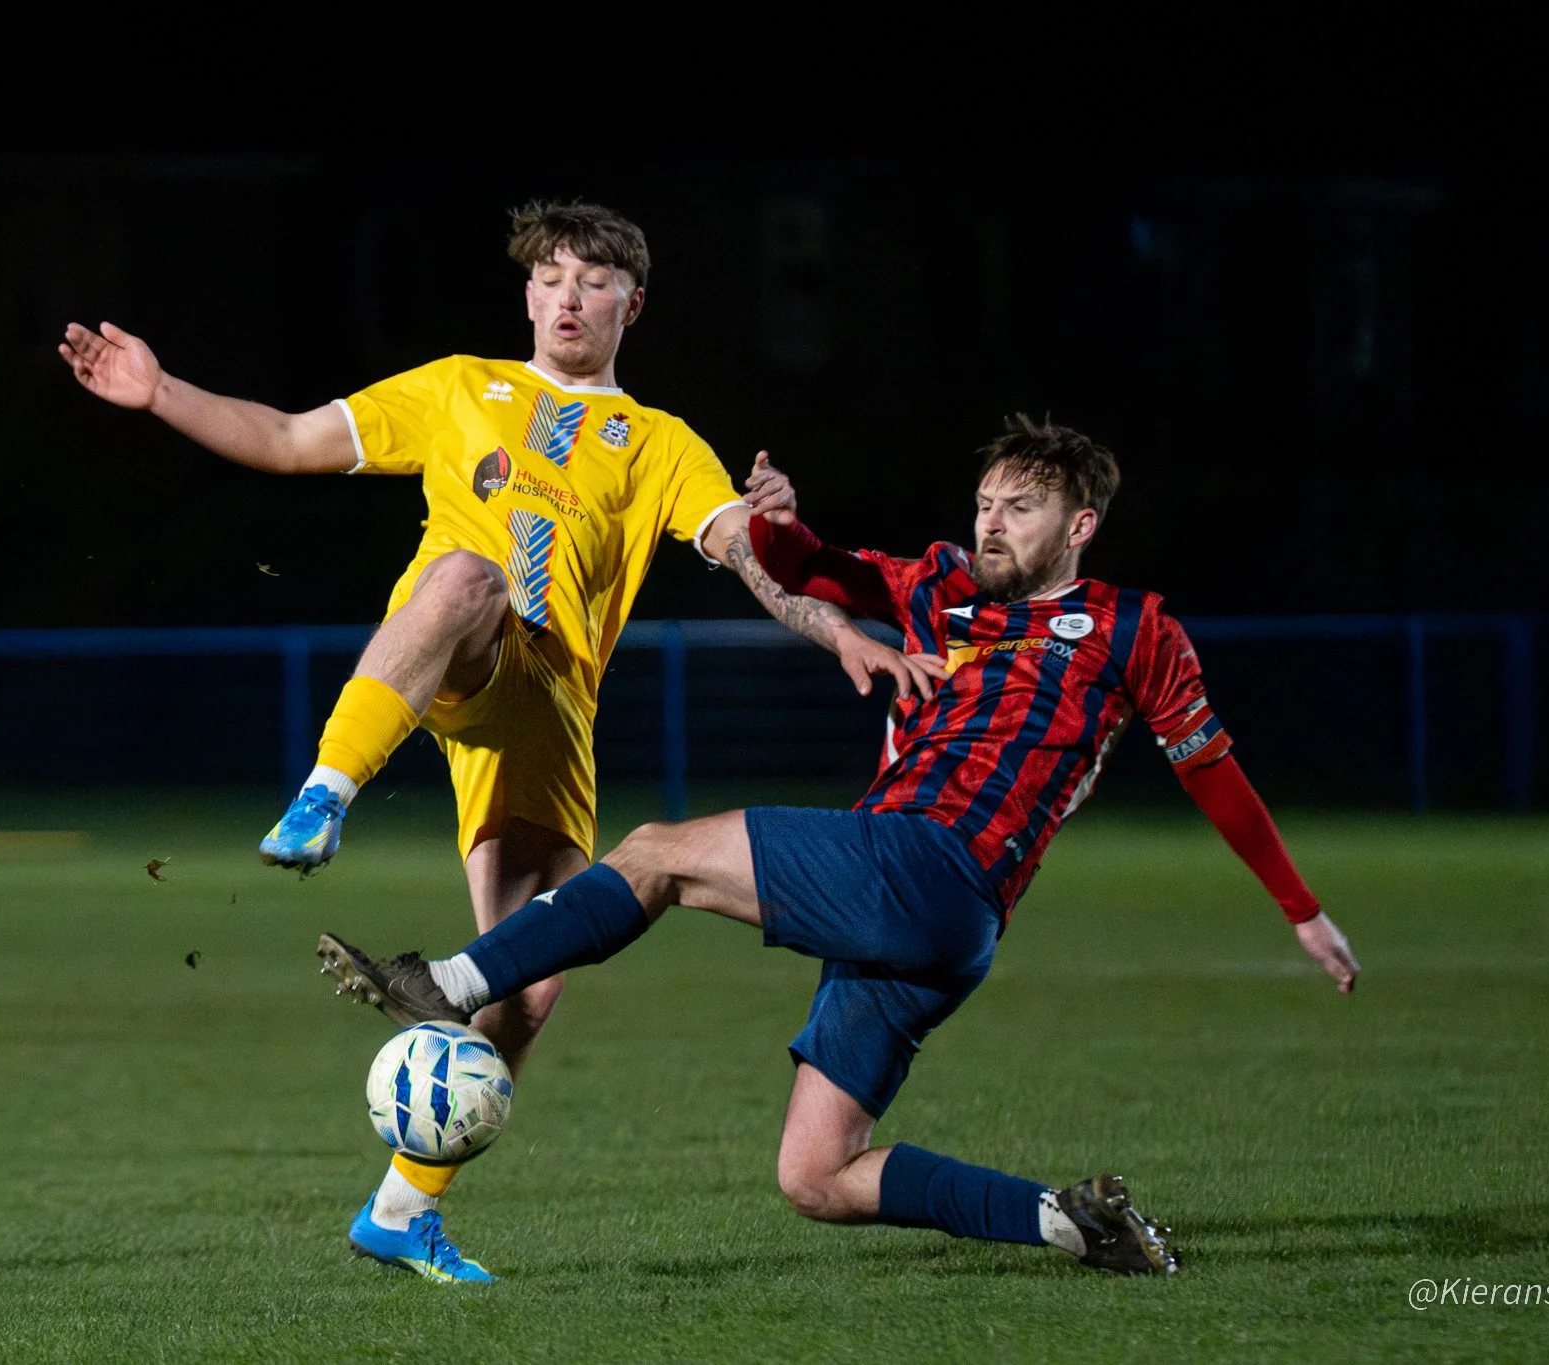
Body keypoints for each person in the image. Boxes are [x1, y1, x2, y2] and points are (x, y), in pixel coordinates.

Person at [58, 201, 934, 1283]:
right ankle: (326, 790)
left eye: (594, 280)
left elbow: (748, 554)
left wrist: (822, 603)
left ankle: (397, 1212)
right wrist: (159, 394)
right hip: (466, 651)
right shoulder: (459, 387)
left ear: (632, 304)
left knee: (526, 985)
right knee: (465, 575)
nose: (567, 295)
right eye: (551, 276)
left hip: (553, 714)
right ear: (525, 294)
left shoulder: (659, 444)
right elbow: (287, 441)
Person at [316, 415, 1362, 1277]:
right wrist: (775, 523)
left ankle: (450, 980)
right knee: (815, 1177)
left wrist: (1299, 910)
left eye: (1021, 508)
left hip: (932, 863)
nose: (992, 524)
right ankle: (1070, 1223)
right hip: (935, 922)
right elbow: (815, 569)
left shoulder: (1134, 629)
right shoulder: (942, 584)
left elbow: (1210, 769)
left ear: (1079, 523)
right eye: (986, 503)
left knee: (655, 854)